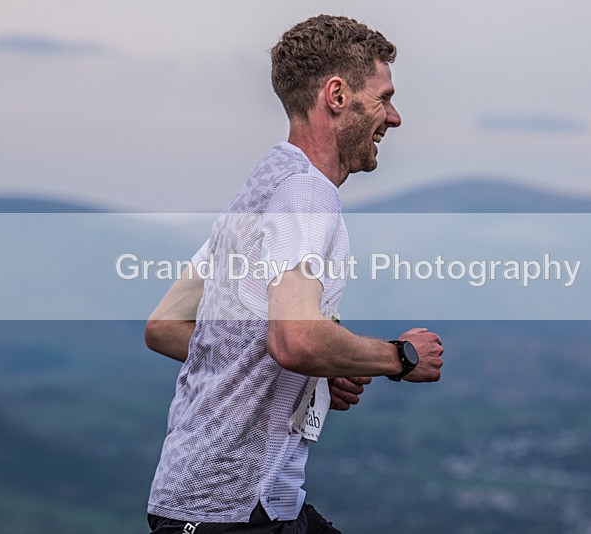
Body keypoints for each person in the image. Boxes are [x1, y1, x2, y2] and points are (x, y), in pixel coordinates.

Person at [145, 14, 444, 533]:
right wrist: (398, 357)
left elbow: (166, 327)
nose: (394, 118)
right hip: (233, 513)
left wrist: (322, 368)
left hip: (206, 501)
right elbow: (296, 340)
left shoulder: (259, 191)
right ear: (337, 94)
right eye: (384, 97)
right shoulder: (307, 195)